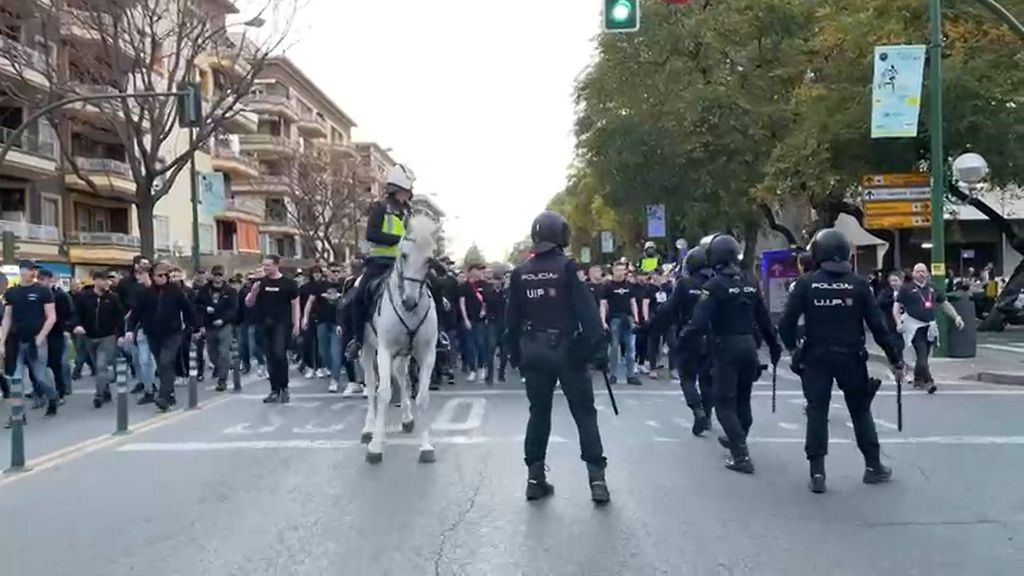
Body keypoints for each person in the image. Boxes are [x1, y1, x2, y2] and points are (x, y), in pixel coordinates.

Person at [779, 229, 905, 494]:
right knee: (860, 412)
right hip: (851, 357)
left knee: (817, 412)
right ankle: (873, 467)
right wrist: (896, 360)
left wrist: (792, 349)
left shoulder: (807, 283)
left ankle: (817, 472)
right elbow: (879, 327)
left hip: (816, 357)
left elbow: (786, 323)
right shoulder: (859, 285)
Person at [505, 211, 610, 504]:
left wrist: (514, 355)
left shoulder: (520, 272)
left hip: (534, 352)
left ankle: (535, 479)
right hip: (568, 351)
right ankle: (597, 480)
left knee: (538, 415)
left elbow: (510, 320)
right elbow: (587, 313)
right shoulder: (567, 268)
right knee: (584, 414)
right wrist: (599, 349)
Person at [681, 235, 781, 474]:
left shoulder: (714, 286)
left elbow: (699, 323)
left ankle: (740, 455)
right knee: (743, 398)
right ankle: (739, 436)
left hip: (726, 348)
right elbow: (764, 318)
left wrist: (683, 341)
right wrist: (774, 346)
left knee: (723, 403)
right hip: (749, 347)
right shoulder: (749, 281)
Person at [344, 163, 416, 360]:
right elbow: (371, 233)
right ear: (397, 190)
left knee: (430, 287)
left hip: (404, 263)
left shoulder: (409, 212)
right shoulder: (380, 208)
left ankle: (436, 336)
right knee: (358, 297)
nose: (409, 195)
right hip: (380, 262)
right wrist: (398, 240)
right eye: (406, 191)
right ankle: (357, 341)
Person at [652, 247, 715, 436]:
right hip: (711, 336)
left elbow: (670, 308)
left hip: (688, 335)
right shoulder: (716, 283)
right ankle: (708, 415)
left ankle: (697, 410)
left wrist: (659, 319)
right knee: (707, 379)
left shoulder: (685, 284)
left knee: (687, 378)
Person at [127, 262, 195, 412]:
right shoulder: (146, 293)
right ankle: (169, 394)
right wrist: (130, 330)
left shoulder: (175, 291)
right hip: (153, 334)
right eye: (160, 275)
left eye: (166, 275)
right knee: (163, 365)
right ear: (153, 276)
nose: (163, 278)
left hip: (173, 333)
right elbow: (135, 313)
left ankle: (163, 396)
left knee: (166, 361)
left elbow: (188, 308)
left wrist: (194, 326)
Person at [895, 263, 965, 394]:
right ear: (913, 273)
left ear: (927, 273)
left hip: (929, 326)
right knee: (921, 354)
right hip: (914, 326)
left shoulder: (933, 288)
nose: (921, 274)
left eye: (923, 271)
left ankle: (918, 378)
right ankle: (929, 381)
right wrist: (898, 320)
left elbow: (944, 304)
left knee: (925, 355)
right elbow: (897, 305)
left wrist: (956, 317)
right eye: (918, 271)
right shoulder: (906, 288)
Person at [1, 260, 60, 416]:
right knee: (16, 379)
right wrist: (2, 341)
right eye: (30, 269)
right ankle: (18, 414)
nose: (33, 272)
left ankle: (52, 398)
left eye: (34, 270)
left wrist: (41, 337)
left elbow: (51, 317)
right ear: (22, 271)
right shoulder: (12, 292)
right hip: (16, 341)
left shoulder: (43, 291)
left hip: (36, 341)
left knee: (40, 377)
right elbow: (7, 317)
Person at [246, 255, 300, 404]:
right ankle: (274, 389)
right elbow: (249, 303)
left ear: (277, 265)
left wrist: (297, 323)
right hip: (264, 324)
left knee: (279, 354)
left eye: (268, 265)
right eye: (264, 265)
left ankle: (284, 387)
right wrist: (254, 292)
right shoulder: (260, 283)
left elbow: (295, 304)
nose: (265, 268)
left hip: (281, 324)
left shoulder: (289, 283)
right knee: (269, 357)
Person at [72, 270, 124, 408]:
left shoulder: (113, 298)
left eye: (108, 280)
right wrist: (77, 325)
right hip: (89, 336)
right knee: (97, 366)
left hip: (107, 336)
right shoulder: (84, 297)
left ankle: (98, 395)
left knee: (102, 365)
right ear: (95, 281)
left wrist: (121, 335)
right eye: (103, 280)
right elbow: (76, 314)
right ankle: (106, 391)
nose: (107, 283)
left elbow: (119, 317)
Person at [196, 265, 237, 392]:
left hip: (224, 326)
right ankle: (220, 369)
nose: (217, 278)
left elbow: (234, 310)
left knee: (224, 353)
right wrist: (205, 309)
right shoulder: (204, 290)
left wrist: (223, 320)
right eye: (215, 275)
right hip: (209, 325)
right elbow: (196, 304)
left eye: (220, 275)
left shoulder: (230, 291)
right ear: (212, 276)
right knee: (213, 354)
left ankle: (222, 380)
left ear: (223, 276)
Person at [35, 269, 74, 402]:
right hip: (40, 332)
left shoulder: (60, 295)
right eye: (40, 280)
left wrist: (66, 329)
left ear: (50, 279)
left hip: (56, 332)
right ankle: (40, 392)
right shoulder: (37, 294)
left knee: (57, 363)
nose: (42, 283)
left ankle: (61, 390)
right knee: (38, 365)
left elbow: (66, 314)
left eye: (44, 279)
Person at [304, 264, 345, 393]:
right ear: (327, 272)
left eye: (338, 272)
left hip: (337, 323)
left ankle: (335, 379)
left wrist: (339, 298)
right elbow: (310, 302)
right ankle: (331, 370)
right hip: (322, 321)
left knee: (335, 352)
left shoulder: (344, 285)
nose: (336, 274)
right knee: (323, 351)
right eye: (333, 271)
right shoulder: (319, 285)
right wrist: (305, 317)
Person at [600, 261, 641, 385]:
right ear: (613, 271)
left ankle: (631, 375)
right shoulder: (607, 286)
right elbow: (603, 304)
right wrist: (602, 321)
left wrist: (636, 318)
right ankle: (613, 375)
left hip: (628, 318)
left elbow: (633, 302)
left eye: (622, 270)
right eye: (617, 270)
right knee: (614, 348)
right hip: (614, 318)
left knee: (631, 348)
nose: (620, 272)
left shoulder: (629, 285)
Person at [460, 263, 490, 382]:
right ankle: (473, 369)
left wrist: (484, 311)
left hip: (481, 320)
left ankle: (482, 367)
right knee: (469, 346)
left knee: (481, 344)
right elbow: (462, 304)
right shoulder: (464, 286)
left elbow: (487, 300)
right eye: (476, 270)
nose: (478, 272)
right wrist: (466, 319)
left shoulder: (484, 285)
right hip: (469, 319)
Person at [876, 271, 903, 337]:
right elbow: (880, 303)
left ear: (901, 280)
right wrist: (892, 300)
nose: (893, 283)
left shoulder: (907, 291)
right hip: (891, 324)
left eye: (895, 280)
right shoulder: (886, 292)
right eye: (891, 281)